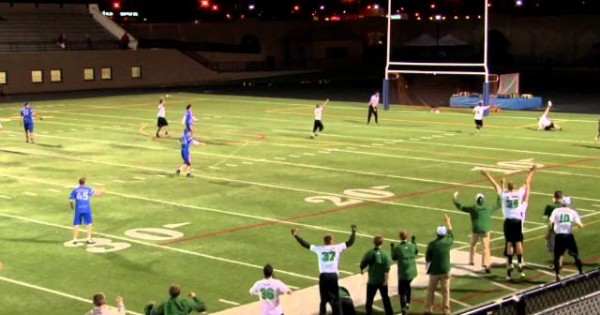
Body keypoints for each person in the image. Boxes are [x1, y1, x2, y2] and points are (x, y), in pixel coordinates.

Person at [482, 165, 536, 280]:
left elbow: (495, 185)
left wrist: (487, 175)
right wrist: (531, 171)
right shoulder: (520, 196)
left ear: (508, 187)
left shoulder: (505, 195)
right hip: (517, 221)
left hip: (508, 221)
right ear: (514, 187)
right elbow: (527, 183)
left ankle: (510, 264)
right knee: (518, 243)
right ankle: (520, 262)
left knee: (509, 243)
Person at [291, 225, 357, 315]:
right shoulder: (337, 247)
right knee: (336, 298)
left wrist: (296, 235)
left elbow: (305, 244)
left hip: (324, 276)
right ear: (331, 241)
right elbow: (350, 242)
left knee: (323, 299)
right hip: (333, 275)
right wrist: (353, 231)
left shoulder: (320, 249)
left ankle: (323, 313)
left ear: (324, 241)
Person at [452, 191, 501, 273]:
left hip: (476, 229)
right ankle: (485, 263)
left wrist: (454, 199)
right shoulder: (488, 208)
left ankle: (471, 260)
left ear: (476, 200)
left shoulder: (473, 208)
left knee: (473, 244)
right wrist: (499, 195)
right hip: (486, 230)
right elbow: (499, 204)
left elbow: (461, 207)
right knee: (485, 247)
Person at [424, 214, 454, 315]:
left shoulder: (432, 245)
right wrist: (448, 221)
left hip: (435, 271)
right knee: (445, 291)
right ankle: (446, 310)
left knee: (431, 290)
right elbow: (450, 231)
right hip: (445, 270)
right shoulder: (448, 242)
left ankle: (429, 309)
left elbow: (428, 258)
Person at [549, 197, 584, 281]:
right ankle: (581, 272)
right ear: (568, 204)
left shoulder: (556, 211)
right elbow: (580, 224)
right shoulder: (572, 212)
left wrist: (553, 227)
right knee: (576, 255)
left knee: (556, 256)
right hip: (568, 235)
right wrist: (579, 226)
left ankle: (557, 274)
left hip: (559, 236)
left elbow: (551, 220)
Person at [359, 235, 394, 315]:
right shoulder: (385, 255)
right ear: (382, 243)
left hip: (372, 281)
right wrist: (386, 281)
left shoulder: (370, 253)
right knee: (385, 299)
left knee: (369, 300)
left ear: (374, 242)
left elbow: (362, 264)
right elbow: (387, 270)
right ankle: (390, 313)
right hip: (382, 281)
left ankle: (369, 313)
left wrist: (362, 269)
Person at [390, 231, 418, 315]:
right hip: (412, 272)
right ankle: (408, 303)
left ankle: (403, 308)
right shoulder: (412, 245)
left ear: (400, 237)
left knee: (402, 291)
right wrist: (414, 241)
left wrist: (392, 248)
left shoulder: (398, 248)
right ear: (407, 236)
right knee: (407, 285)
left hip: (403, 273)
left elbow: (393, 257)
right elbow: (416, 251)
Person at [70, 177, 104, 244]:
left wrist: (72, 207)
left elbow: (71, 200)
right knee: (89, 223)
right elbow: (97, 194)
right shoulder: (88, 189)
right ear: (85, 182)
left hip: (78, 209)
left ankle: (75, 239)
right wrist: (102, 191)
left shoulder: (75, 190)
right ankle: (88, 238)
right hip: (86, 208)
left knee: (76, 224)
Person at [544, 190, 564, 269]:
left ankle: (556, 264)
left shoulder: (550, 207)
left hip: (553, 230)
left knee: (553, 248)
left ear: (554, 197)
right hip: (563, 230)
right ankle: (560, 263)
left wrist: (547, 231)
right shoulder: (564, 207)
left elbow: (549, 220)